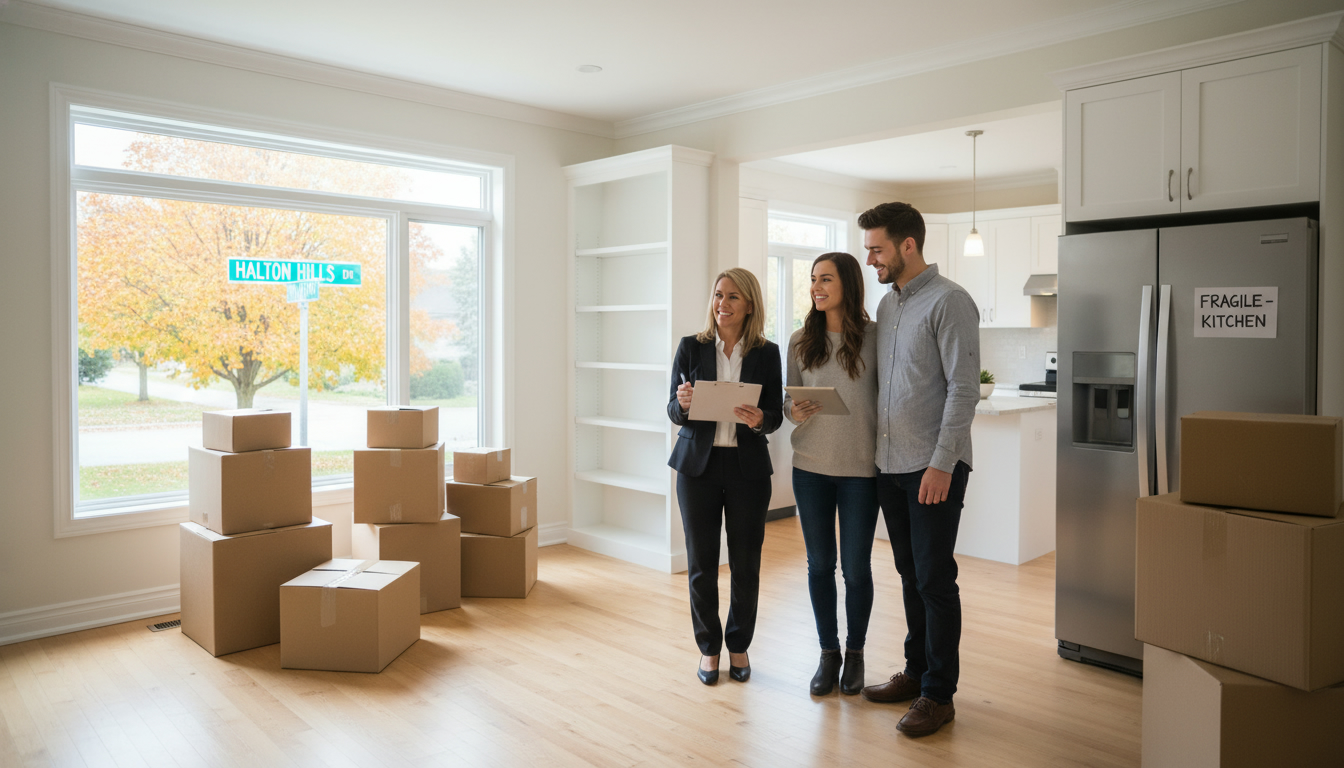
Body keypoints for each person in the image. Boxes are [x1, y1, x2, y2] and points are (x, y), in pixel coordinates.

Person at [857, 202, 979, 737]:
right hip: (890, 464)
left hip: (932, 468)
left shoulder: (950, 301)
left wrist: (942, 464)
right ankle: (915, 672)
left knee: (934, 579)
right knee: (909, 575)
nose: (870, 260)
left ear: (908, 245)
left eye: (877, 249)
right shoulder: (888, 306)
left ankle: (938, 694)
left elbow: (963, 389)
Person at [667, 267, 783, 686]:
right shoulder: (691, 347)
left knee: (745, 564)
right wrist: (682, 403)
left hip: (746, 470)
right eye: (719, 295)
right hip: (696, 469)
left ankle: (739, 645)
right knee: (701, 564)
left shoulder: (767, 353)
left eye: (733, 296)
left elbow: (774, 415)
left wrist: (759, 419)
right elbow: (673, 410)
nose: (723, 303)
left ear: (749, 304)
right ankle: (708, 648)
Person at [782, 252, 879, 697]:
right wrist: (794, 410)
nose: (816, 288)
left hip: (862, 470)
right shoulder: (800, 340)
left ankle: (855, 653)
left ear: (848, 285)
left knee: (856, 570)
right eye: (813, 279)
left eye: (826, 279)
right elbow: (788, 403)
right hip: (810, 468)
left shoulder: (877, 338)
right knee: (820, 565)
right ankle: (828, 653)